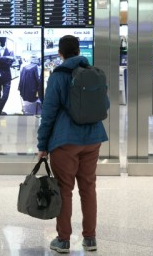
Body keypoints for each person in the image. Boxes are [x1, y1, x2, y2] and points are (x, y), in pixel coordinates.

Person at [37, 35, 108, 253]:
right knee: (88, 188)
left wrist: (42, 145)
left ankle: (64, 240)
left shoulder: (58, 76)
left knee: (64, 190)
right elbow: (103, 104)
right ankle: (90, 238)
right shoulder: (94, 73)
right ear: (78, 51)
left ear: (60, 53)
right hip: (93, 138)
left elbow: (48, 112)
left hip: (65, 140)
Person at [0, 37, 15, 115]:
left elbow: (11, 61)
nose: (2, 40)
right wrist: (6, 58)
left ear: (5, 40)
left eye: (3, 39)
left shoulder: (10, 51)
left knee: (5, 96)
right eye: (0, 39)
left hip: (6, 76)